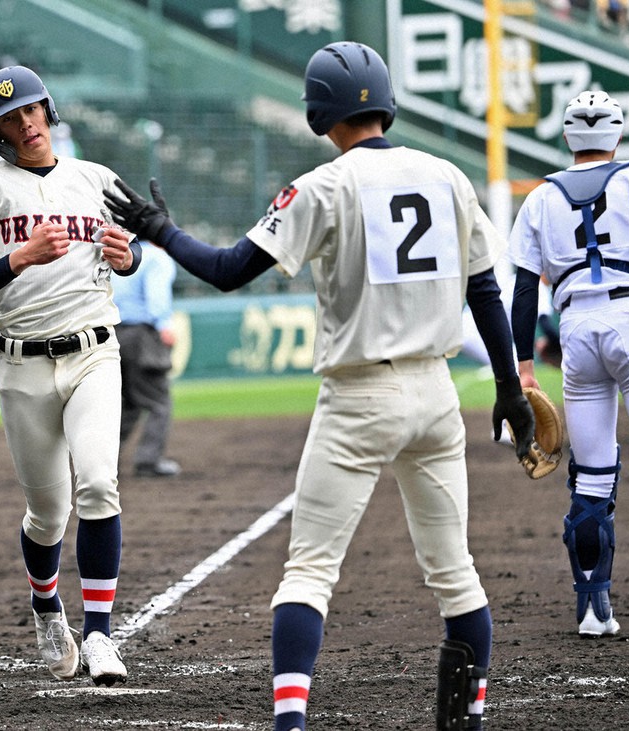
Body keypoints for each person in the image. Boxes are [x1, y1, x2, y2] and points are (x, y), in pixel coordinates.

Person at [105, 41, 534, 731]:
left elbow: (227, 270)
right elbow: (485, 289)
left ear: (317, 112)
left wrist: (162, 231)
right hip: (437, 395)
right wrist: (509, 387)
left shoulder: (324, 186)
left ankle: (290, 724)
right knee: (456, 574)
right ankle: (465, 723)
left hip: (361, 396)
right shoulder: (448, 175)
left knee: (308, 572)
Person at [0, 65, 141, 686]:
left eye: (31, 109)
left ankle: (100, 634)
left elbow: (132, 250)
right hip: (23, 363)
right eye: (10, 117)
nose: (25, 123)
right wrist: (19, 257)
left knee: (99, 484)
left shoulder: (96, 178)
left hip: (94, 352)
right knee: (48, 514)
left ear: (47, 110)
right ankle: (46, 604)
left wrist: (128, 258)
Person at [509, 90, 629, 638]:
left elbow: (522, 290)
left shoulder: (540, 197)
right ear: (618, 135)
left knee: (592, 481)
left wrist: (523, 365)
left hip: (576, 330)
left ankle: (592, 609)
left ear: (566, 137)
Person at [114, 239, 182, 478]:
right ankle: (148, 462)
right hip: (142, 335)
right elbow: (157, 296)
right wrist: (164, 324)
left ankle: (105, 464)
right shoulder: (156, 257)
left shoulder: (120, 253)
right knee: (158, 402)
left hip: (112, 334)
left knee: (127, 404)